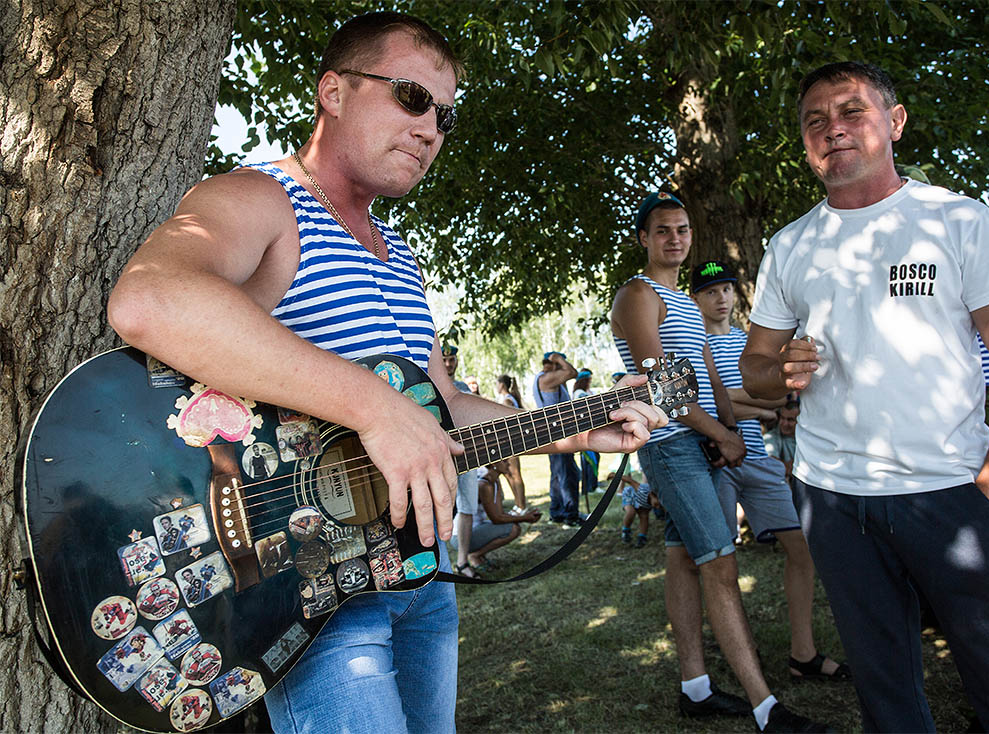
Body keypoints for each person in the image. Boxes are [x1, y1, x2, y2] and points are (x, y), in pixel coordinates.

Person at [106, 12, 666, 733]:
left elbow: (445, 406)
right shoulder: (264, 198)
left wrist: (582, 429)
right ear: (333, 92)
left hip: (419, 576)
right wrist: (375, 406)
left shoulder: (400, 256)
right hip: (311, 591)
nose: (430, 128)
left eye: (444, 115)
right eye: (411, 97)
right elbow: (150, 299)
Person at [740, 61, 989, 732]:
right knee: (886, 696)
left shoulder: (957, 220)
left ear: (894, 122)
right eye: (815, 121)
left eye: (852, 111)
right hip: (832, 497)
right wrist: (780, 367)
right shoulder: (790, 245)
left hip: (951, 491)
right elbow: (754, 372)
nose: (833, 129)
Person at [611, 191, 828, 732]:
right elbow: (660, 386)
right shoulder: (638, 294)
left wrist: (731, 431)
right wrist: (720, 436)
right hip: (670, 445)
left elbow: (711, 381)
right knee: (720, 563)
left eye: (682, 229)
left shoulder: (686, 303)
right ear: (643, 238)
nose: (675, 238)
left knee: (685, 558)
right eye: (663, 230)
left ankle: (696, 689)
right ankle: (765, 707)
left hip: (705, 443)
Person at [691, 260, 849, 683]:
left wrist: (748, 400)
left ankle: (803, 654)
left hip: (758, 459)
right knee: (720, 561)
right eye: (711, 292)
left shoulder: (749, 343)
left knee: (802, 548)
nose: (721, 298)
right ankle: (737, 650)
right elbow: (709, 402)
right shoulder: (693, 343)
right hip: (715, 459)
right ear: (696, 299)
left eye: (726, 289)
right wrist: (762, 406)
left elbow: (770, 393)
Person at [441, 343, 482, 578]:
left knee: (468, 507)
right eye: (444, 360)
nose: (448, 364)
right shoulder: (429, 385)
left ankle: (462, 561)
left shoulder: (463, 388)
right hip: (441, 457)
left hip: (467, 455)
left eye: (451, 360)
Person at [532, 351, 582, 526]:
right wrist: (559, 359)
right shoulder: (546, 378)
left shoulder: (544, 379)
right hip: (558, 435)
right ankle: (570, 515)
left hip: (553, 434)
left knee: (558, 475)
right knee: (568, 475)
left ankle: (557, 512)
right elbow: (572, 373)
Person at [464, 463, 541, 572]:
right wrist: (525, 518)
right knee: (513, 529)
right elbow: (496, 519)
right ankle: (475, 555)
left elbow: (500, 514)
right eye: (504, 461)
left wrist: (526, 516)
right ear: (494, 464)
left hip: (476, 528)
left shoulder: (494, 482)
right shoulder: (484, 484)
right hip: (464, 535)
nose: (509, 463)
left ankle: (478, 554)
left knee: (511, 526)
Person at [493, 374, 528, 513]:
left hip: (511, 442)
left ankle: (522, 506)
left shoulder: (507, 401)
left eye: (497, 384)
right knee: (508, 473)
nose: (496, 386)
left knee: (515, 473)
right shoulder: (503, 399)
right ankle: (517, 504)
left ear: (502, 384)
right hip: (504, 442)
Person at [572, 368, 600, 495]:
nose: (590, 382)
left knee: (590, 460)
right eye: (589, 380)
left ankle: (589, 486)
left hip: (587, 430)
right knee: (590, 460)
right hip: (586, 431)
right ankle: (590, 487)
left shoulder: (580, 392)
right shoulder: (580, 393)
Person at [763, 401, 799, 482]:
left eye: (790, 420)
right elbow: (772, 464)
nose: (785, 423)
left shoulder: (806, 439)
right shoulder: (770, 437)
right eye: (782, 418)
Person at [617, 472, 655, 548]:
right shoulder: (643, 490)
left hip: (644, 502)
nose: (657, 507)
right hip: (630, 496)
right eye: (657, 505)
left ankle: (642, 537)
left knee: (644, 516)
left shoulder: (656, 500)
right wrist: (615, 475)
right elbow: (630, 481)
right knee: (631, 512)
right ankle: (626, 530)